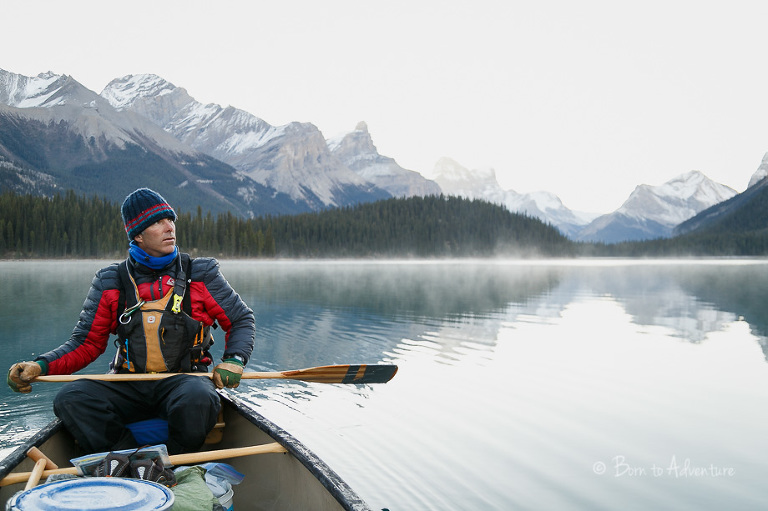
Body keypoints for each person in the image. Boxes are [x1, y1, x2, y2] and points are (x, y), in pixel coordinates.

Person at [7, 188, 255, 455]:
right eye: (157, 222)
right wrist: (41, 365)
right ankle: (126, 458)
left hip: (184, 381)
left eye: (170, 220)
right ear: (137, 234)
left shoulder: (201, 274)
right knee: (71, 399)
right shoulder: (110, 281)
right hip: (127, 384)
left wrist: (234, 359)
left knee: (199, 398)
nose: (169, 227)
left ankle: (176, 460)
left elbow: (241, 319)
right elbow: (86, 343)